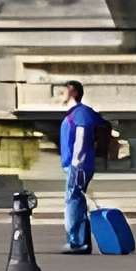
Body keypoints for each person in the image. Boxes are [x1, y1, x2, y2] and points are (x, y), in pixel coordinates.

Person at [58, 80, 105, 253]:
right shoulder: (76, 113)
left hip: (78, 165)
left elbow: (82, 137)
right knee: (77, 200)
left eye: (62, 92)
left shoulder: (80, 113)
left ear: (73, 93)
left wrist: (76, 163)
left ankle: (77, 242)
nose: (59, 96)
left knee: (73, 200)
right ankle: (81, 241)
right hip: (79, 165)